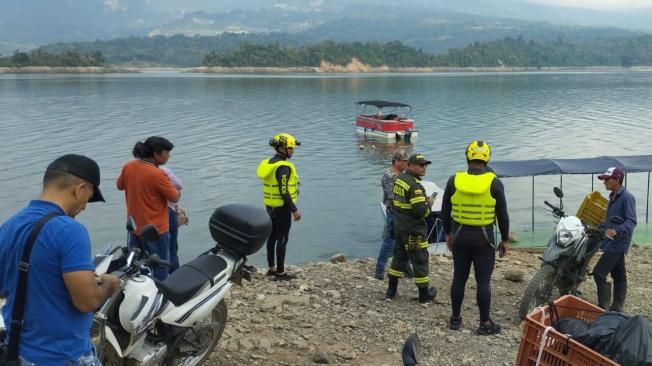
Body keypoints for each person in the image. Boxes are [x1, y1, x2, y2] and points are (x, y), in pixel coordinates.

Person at [0, 154, 121, 365]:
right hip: (64, 355)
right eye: (88, 199)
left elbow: (4, 289)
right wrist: (110, 284)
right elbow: (87, 301)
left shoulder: (10, 225)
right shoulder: (70, 230)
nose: (84, 207)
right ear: (80, 189)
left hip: (18, 353)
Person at [441, 140, 509, 335]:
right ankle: (485, 323)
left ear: (467, 157)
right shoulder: (494, 182)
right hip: (484, 239)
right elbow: (502, 215)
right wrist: (504, 239)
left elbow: (445, 210)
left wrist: (447, 233)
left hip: (460, 236)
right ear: (487, 159)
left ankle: (455, 319)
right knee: (483, 281)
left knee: (459, 278)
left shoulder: (454, 180)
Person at [117, 136, 180, 280]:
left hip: (134, 226)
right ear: (157, 153)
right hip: (156, 229)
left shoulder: (129, 166)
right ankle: (160, 295)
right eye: (167, 153)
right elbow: (174, 197)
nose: (169, 156)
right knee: (160, 263)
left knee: (138, 262)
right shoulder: (158, 174)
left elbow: (120, 185)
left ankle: (143, 290)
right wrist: (177, 192)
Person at [385, 154, 438, 303]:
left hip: (400, 227)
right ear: (411, 166)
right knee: (419, 260)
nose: (424, 168)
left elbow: (395, 203)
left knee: (399, 257)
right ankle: (424, 295)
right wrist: (429, 203)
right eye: (421, 165)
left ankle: (391, 291)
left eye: (425, 165)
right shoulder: (415, 186)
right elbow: (421, 212)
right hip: (413, 231)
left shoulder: (400, 180)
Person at [257, 133, 302, 280]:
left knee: (272, 237)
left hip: (270, 207)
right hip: (282, 208)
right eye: (291, 148)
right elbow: (284, 190)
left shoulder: (269, 163)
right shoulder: (283, 167)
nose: (293, 151)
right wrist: (294, 210)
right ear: (282, 148)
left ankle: (271, 268)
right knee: (282, 238)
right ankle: (281, 272)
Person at [594, 167, 637, 312]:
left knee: (599, 272)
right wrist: (600, 226)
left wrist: (616, 231)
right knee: (619, 275)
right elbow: (611, 220)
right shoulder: (613, 196)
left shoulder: (627, 198)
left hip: (618, 242)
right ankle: (617, 307)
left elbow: (631, 221)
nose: (604, 182)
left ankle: (603, 307)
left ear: (617, 180)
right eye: (604, 179)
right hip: (611, 241)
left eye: (607, 179)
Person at [375, 150, 409, 280]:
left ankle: (406, 268)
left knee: (405, 242)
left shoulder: (404, 175)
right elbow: (393, 197)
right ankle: (379, 269)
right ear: (397, 161)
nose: (406, 163)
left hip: (404, 214)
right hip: (394, 214)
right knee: (389, 242)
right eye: (404, 161)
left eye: (407, 161)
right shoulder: (388, 176)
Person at [160, 166, 188, 274]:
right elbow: (179, 186)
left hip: (147, 216)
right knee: (172, 250)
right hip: (168, 212)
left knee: (156, 252)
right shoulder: (163, 170)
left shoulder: (137, 170)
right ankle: (175, 276)